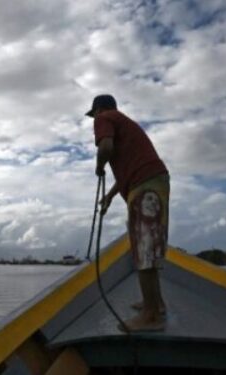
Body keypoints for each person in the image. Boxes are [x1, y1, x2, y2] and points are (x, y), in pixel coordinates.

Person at [86, 94, 170, 331]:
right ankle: (156, 304)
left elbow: (105, 146)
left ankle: (151, 316)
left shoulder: (104, 117)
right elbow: (125, 174)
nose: (95, 120)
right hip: (150, 181)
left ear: (99, 109)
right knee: (148, 245)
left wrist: (99, 166)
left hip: (145, 183)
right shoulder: (124, 123)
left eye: (94, 114)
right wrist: (110, 197)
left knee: (143, 246)